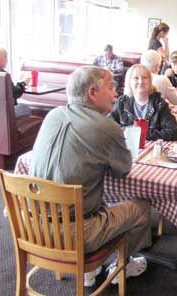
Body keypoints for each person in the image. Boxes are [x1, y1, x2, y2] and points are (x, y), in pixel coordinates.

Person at [29, 66, 151, 287]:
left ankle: (90, 270)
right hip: (76, 235)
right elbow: (122, 170)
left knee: (94, 198)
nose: (116, 93)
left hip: (32, 227)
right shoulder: (108, 128)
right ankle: (120, 265)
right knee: (142, 207)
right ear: (92, 93)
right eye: (112, 87)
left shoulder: (52, 115)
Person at [109, 64, 177, 141]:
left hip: (151, 151)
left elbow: (174, 132)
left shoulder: (159, 104)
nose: (141, 81)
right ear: (129, 82)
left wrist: (141, 134)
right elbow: (108, 127)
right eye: (136, 78)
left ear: (150, 81)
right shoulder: (122, 102)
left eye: (144, 77)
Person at [0, 47, 31, 118]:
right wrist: (23, 84)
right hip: (3, 112)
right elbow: (14, 93)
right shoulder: (1, 74)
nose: (7, 60)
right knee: (25, 108)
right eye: (5, 57)